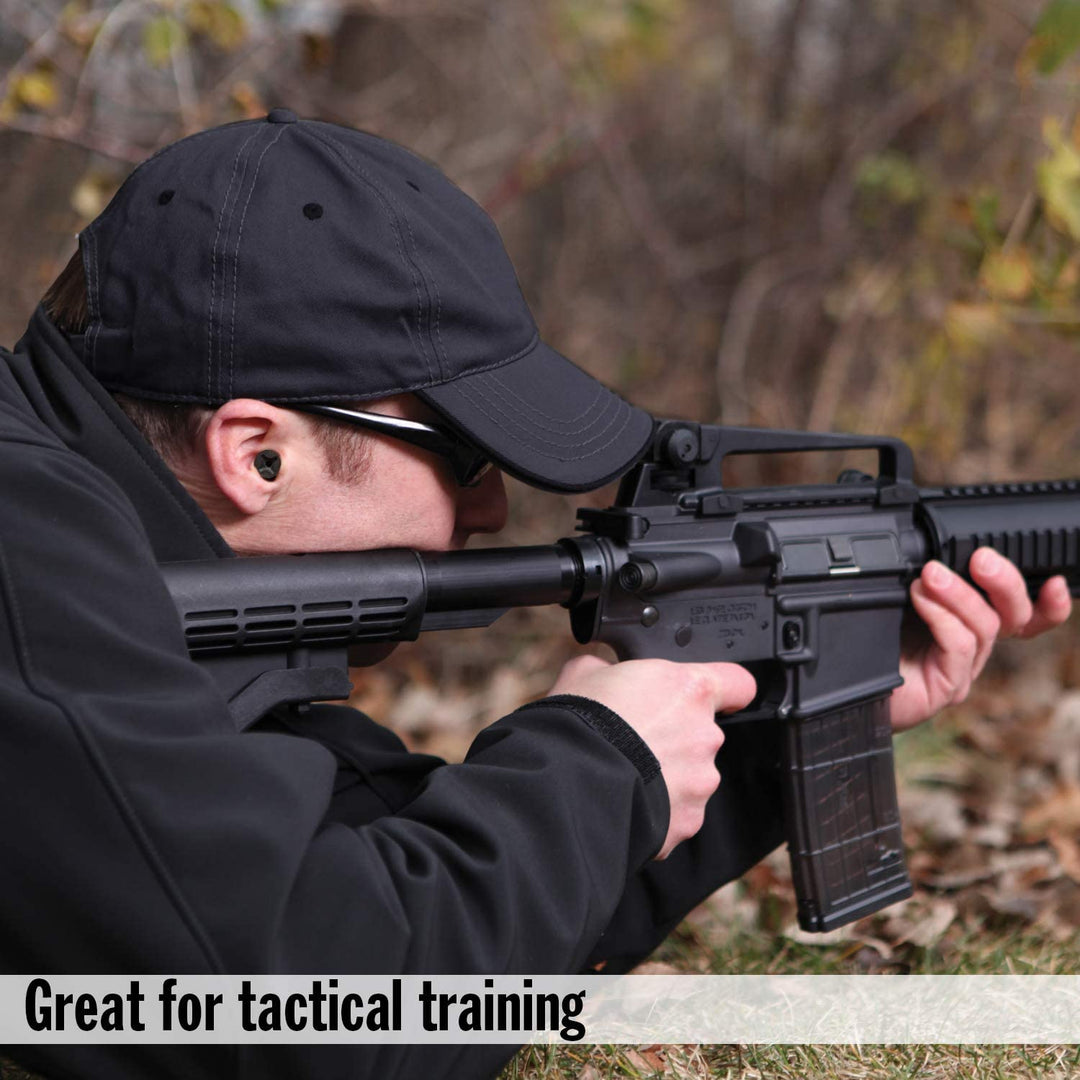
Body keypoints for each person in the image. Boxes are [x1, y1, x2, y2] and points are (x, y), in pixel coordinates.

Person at [0, 109, 1070, 1080]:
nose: (492, 511)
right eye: (464, 453)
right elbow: (301, 1020)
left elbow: (433, 941)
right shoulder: (24, 551)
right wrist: (597, 762)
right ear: (258, 453)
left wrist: (760, 730)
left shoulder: (124, 578)